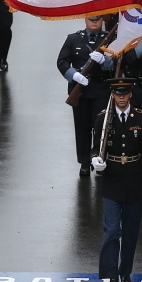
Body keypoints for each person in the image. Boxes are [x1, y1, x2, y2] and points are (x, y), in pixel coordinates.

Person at [89, 77, 142, 282]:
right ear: (112, 95)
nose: (122, 97)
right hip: (112, 181)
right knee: (112, 231)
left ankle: (125, 274)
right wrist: (95, 160)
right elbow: (95, 147)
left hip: (134, 180)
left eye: (125, 93)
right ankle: (112, 279)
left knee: (131, 233)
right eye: (118, 93)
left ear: (131, 94)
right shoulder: (103, 119)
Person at [57, 15, 117, 176]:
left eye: (98, 19)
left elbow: (118, 62)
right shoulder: (73, 39)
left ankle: (99, 159)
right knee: (82, 128)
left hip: (101, 90)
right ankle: (84, 161)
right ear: (85, 19)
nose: (95, 22)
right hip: (81, 91)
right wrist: (74, 75)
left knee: (101, 128)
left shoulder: (110, 39)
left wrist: (106, 61)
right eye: (91, 19)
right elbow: (62, 62)